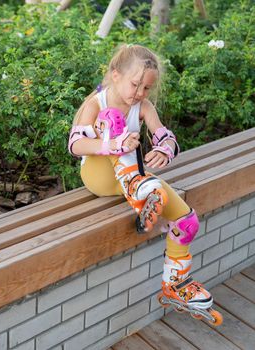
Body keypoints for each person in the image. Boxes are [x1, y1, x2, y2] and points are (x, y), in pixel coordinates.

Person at [67, 44, 222, 325]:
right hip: (99, 176)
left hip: (132, 178)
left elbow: (167, 137)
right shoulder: (97, 104)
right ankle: (141, 191)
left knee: (187, 222)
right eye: (135, 84)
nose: (139, 93)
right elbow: (76, 145)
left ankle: (175, 285)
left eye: (146, 88)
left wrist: (164, 149)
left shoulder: (143, 107)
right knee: (112, 121)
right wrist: (113, 143)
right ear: (115, 75)